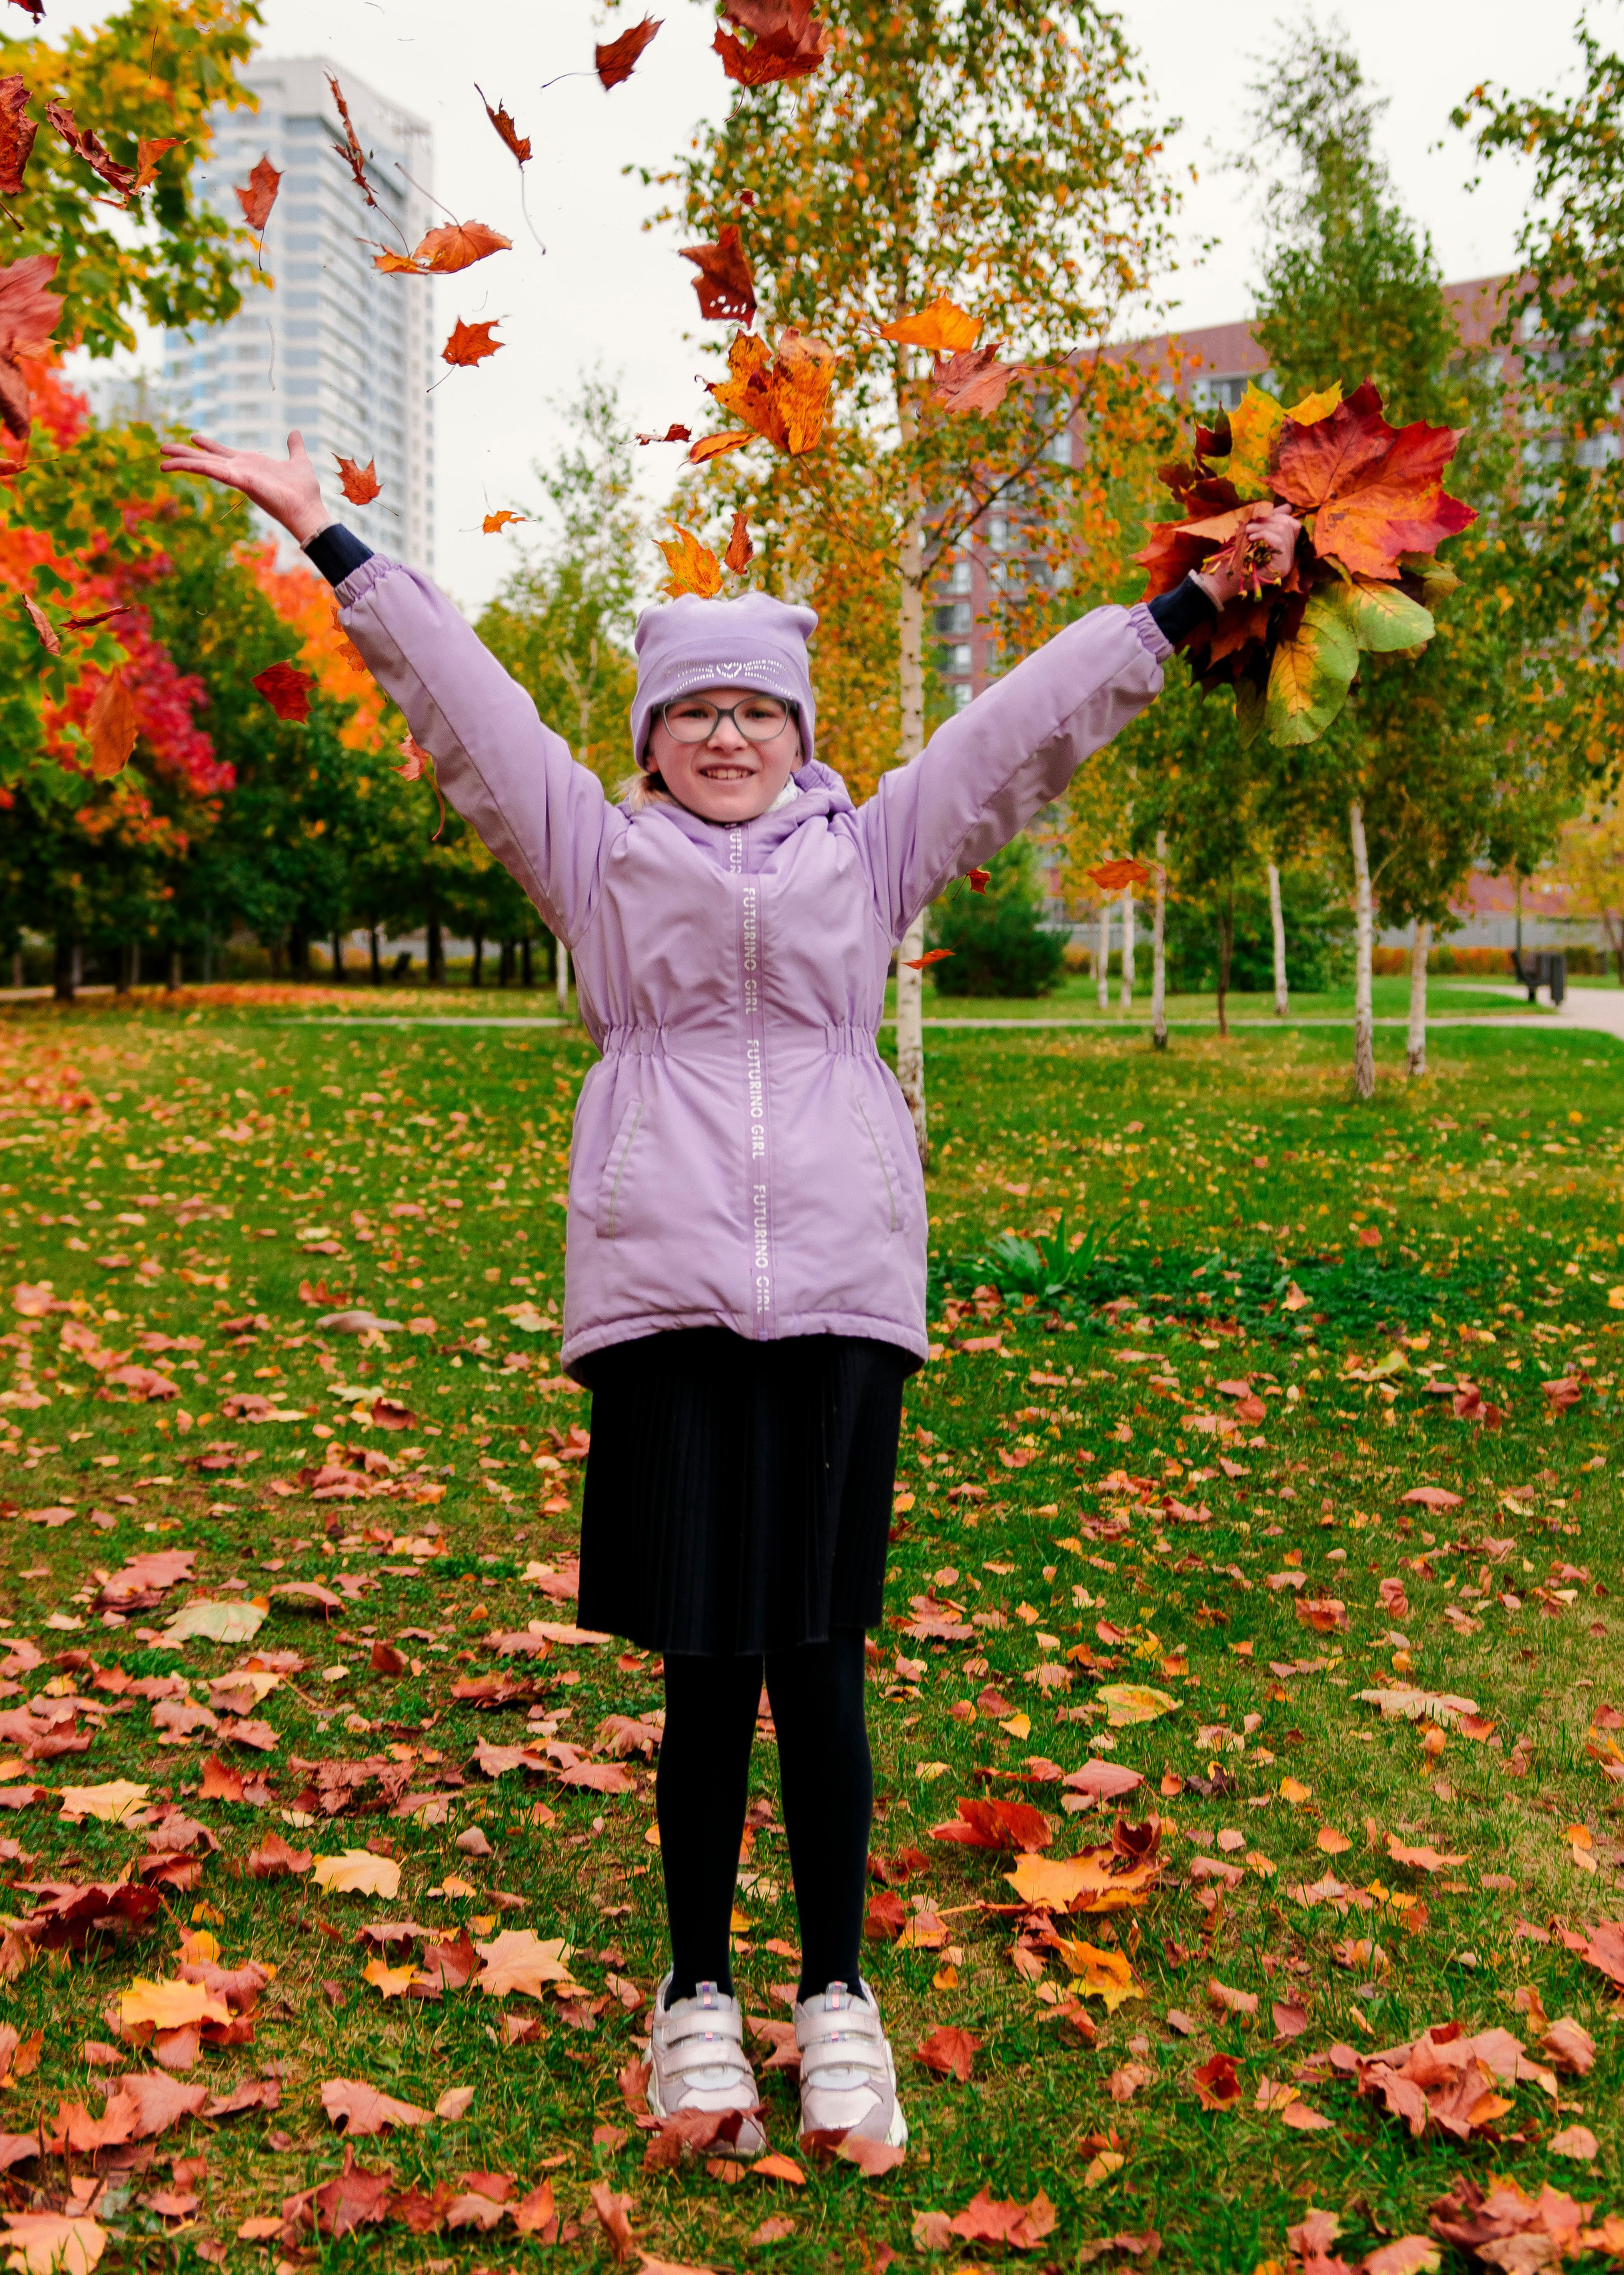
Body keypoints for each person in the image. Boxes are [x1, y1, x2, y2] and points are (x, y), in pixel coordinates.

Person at [160, 427, 1299, 2148]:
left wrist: (1177, 610)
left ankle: (836, 1992)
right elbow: (465, 714)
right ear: (649, 739)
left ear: (800, 732)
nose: (724, 736)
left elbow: (1020, 734)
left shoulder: (877, 850)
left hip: (841, 1303)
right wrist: (330, 539)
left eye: (755, 711)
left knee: (820, 1668)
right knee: (705, 1672)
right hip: (671, 1310)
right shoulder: (602, 866)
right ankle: (696, 1992)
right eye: (693, 712)